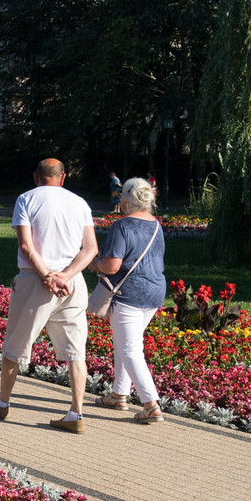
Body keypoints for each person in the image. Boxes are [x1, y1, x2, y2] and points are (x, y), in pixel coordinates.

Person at [0, 158, 98, 433]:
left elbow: (25, 245)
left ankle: (3, 403)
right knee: (76, 351)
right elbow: (90, 249)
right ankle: (76, 413)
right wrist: (65, 276)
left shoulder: (26, 199)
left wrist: (47, 276)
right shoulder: (80, 202)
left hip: (36, 281)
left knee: (15, 344)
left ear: (35, 177)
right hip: (73, 285)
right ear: (63, 177)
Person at [87, 178, 166, 424]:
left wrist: (94, 264)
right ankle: (119, 394)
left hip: (128, 295)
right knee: (125, 343)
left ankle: (151, 405)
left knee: (130, 349)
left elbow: (112, 265)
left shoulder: (122, 226)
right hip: (154, 293)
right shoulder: (156, 225)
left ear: (125, 200)